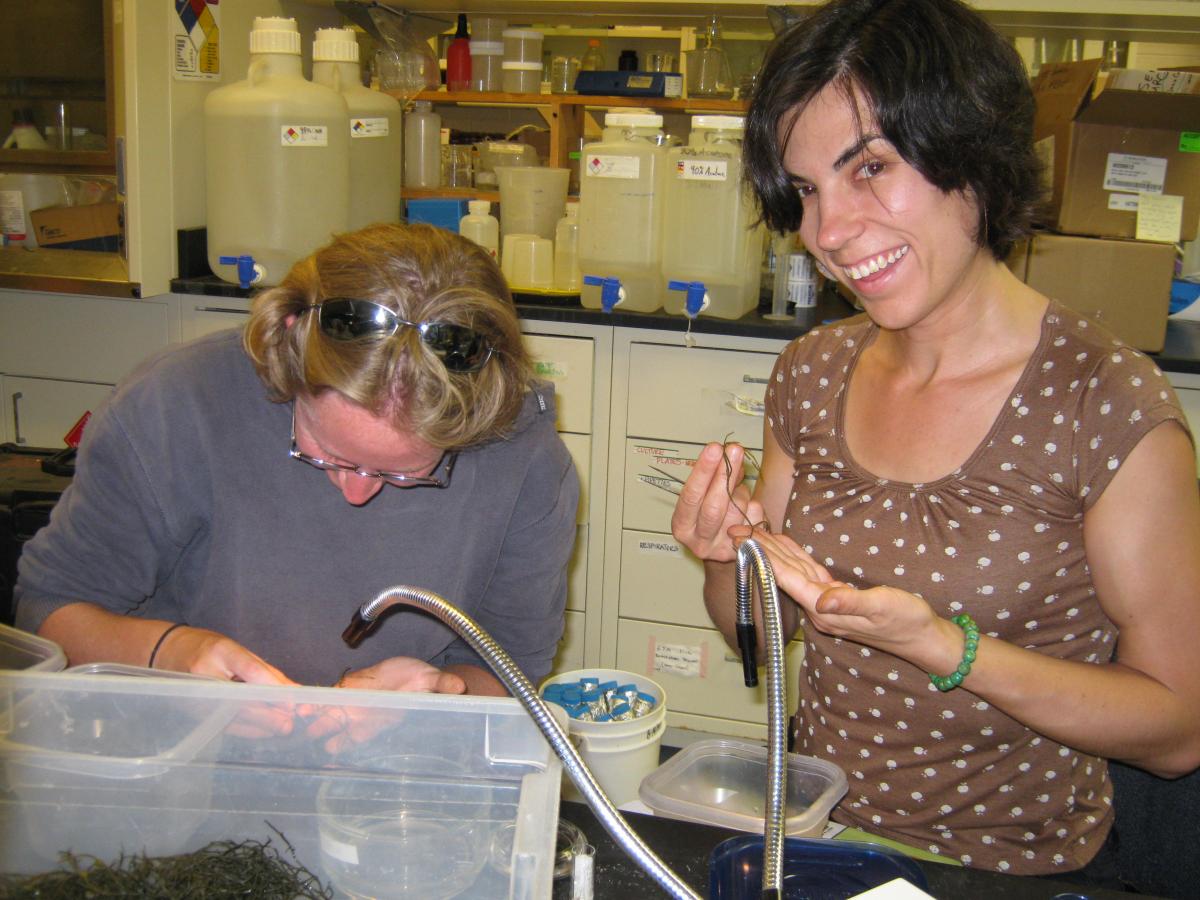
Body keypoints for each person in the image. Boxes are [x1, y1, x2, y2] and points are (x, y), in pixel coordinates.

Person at [672, 0, 1200, 880]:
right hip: (818, 835)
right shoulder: (811, 371)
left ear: (973, 155)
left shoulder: (1103, 403)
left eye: (869, 167)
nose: (828, 233)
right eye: (806, 190)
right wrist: (729, 563)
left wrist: (945, 650)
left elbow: (1179, 730)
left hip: (1012, 869)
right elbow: (763, 642)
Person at [16, 223, 579, 697]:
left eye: (407, 472)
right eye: (328, 454)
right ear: (288, 344)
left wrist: (442, 692)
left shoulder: (523, 458)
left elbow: (511, 665)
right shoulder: (179, 404)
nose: (359, 493)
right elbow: (50, 608)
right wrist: (172, 652)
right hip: (180, 747)